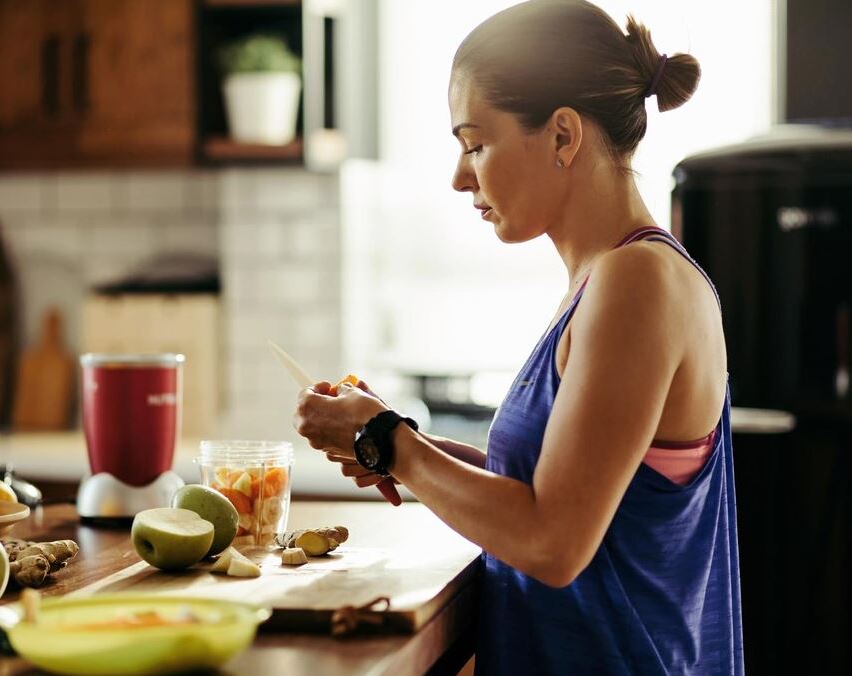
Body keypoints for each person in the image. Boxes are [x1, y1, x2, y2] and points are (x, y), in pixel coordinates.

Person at [292, 1, 742, 674]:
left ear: (562, 135)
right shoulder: (607, 280)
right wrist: (398, 442)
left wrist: (389, 442)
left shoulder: (637, 282)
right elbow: (556, 492)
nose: (459, 176)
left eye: (474, 143)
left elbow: (552, 543)